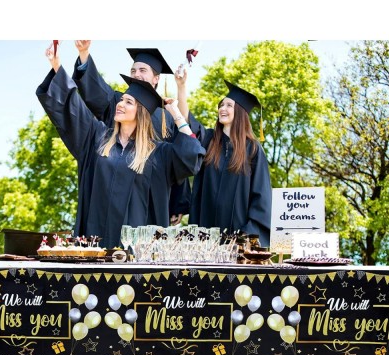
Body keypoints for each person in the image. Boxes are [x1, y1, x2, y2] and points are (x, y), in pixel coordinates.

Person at [36, 44, 204, 249]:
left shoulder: (158, 153)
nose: (120, 103)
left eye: (128, 102)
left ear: (141, 111)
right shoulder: (98, 138)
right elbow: (73, 107)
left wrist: (176, 113)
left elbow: (190, 153)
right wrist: (57, 67)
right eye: (121, 99)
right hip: (96, 245)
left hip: (138, 251)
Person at [72, 41, 190, 226]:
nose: (136, 74)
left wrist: (177, 204)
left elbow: (177, 157)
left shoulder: (166, 115)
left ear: (156, 78)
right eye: (133, 71)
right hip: (113, 189)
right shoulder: (118, 102)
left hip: (150, 196)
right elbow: (96, 90)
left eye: (143, 70)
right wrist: (84, 54)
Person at [175, 70, 272, 247]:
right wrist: (181, 87)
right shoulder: (209, 140)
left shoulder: (253, 150)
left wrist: (244, 239)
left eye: (229, 105)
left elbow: (261, 199)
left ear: (241, 113)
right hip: (205, 241)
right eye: (221, 105)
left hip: (237, 243)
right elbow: (185, 123)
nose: (222, 109)